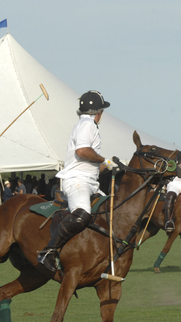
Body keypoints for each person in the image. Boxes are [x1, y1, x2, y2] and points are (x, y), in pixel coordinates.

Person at [37, 90, 117, 272]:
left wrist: (109, 165)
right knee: (82, 214)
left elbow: (89, 163)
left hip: (90, 181)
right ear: (98, 112)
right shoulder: (88, 124)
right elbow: (82, 151)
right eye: (102, 111)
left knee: (111, 213)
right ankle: (48, 252)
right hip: (78, 181)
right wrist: (103, 159)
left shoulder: (86, 125)